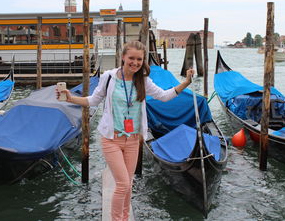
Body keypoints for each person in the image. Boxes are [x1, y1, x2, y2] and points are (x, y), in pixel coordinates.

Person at [59, 41, 194, 221]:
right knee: (122, 184)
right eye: (131, 58)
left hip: (133, 140)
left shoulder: (143, 81)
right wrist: (71, 98)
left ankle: (123, 217)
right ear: (123, 57)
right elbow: (93, 101)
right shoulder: (108, 77)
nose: (135, 63)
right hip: (111, 139)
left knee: (128, 184)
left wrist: (186, 82)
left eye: (139, 59)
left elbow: (163, 96)